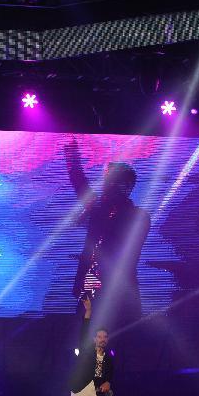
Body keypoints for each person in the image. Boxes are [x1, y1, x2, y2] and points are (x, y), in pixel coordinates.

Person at [64, 139, 150, 328]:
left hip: (115, 293)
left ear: (123, 186)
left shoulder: (135, 216)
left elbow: (79, 182)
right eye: (105, 180)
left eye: (108, 180)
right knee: (90, 345)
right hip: (104, 291)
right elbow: (79, 182)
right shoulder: (107, 209)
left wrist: (70, 152)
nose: (104, 184)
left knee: (114, 346)